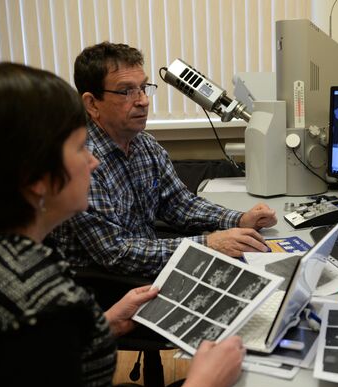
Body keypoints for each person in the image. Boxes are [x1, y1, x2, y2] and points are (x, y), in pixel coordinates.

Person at [0, 63, 245, 387]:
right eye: (79, 147)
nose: (92, 160)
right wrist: (203, 384)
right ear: (34, 177)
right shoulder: (41, 301)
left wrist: (106, 323)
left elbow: (35, 361)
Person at [49, 42, 277, 277]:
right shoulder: (81, 163)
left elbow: (179, 204)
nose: (143, 101)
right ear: (92, 103)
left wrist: (238, 219)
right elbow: (116, 253)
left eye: (143, 87)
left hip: (147, 264)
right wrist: (209, 245)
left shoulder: (146, 145)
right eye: (127, 91)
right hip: (107, 284)